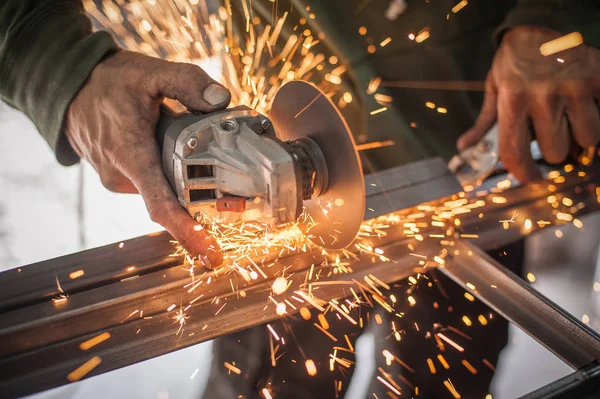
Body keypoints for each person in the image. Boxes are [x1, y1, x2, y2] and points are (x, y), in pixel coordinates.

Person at [1, 0, 599, 397]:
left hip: (472, 167)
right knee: (266, 384)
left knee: (444, 375)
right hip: (283, 234)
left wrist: (558, 15)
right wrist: (67, 71)